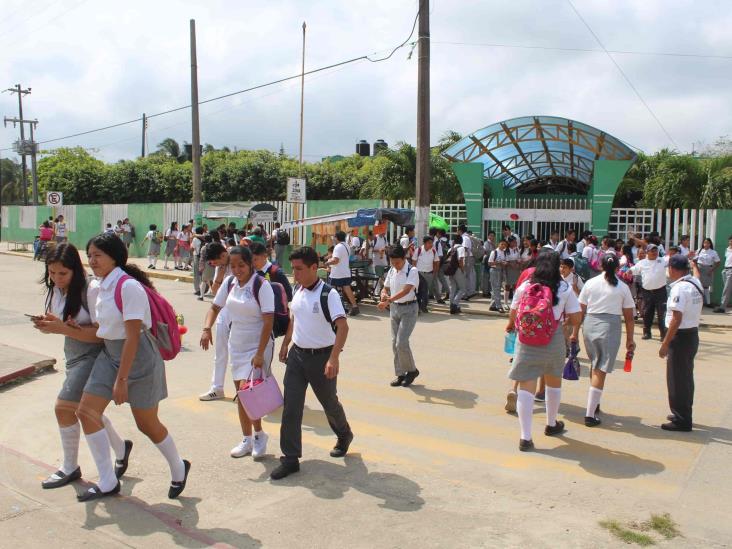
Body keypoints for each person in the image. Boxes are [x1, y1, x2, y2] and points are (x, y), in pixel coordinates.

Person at [75, 233, 190, 501]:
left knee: (146, 424)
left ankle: (178, 466)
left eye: (98, 255)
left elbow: (134, 336)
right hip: (110, 354)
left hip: (139, 358)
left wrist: (122, 379)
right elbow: (104, 328)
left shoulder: (128, 287)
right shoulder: (99, 285)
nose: (92, 261)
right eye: (90, 255)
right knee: (86, 412)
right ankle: (107, 481)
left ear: (115, 257)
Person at [31, 243, 132, 490]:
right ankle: (121, 448)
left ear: (75, 270)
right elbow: (65, 323)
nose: (56, 279)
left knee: (64, 408)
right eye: (52, 273)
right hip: (73, 355)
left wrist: (63, 329)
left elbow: (101, 334)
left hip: (94, 356)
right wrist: (51, 323)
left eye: (62, 274)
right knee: (87, 411)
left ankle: (70, 467)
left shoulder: (92, 289)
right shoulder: (57, 289)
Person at [272, 246, 353, 480]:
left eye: (299, 269)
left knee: (329, 403)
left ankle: (344, 433)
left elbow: (343, 326)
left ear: (314, 268)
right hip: (297, 357)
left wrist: (334, 358)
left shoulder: (329, 294)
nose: (294, 274)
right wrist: (287, 343)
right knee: (291, 408)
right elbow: (294, 319)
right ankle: (290, 458)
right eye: (293, 269)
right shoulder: (298, 289)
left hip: (322, 358)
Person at [200, 246, 275, 458]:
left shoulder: (261, 285)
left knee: (250, 394)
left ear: (250, 263)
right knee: (241, 396)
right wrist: (206, 329)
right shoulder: (230, 282)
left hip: (258, 344)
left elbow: (268, 322)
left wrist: (260, 353)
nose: (237, 269)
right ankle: (247, 439)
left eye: (241, 265)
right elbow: (215, 307)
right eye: (232, 266)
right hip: (237, 343)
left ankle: (259, 435)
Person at [505, 253, 582, 451]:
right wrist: (565, 322)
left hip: (526, 339)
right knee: (553, 383)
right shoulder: (564, 287)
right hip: (553, 338)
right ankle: (551, 423)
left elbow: (513, 312)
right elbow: (576, 318)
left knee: (526, 387)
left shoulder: (526, 286)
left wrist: (511, 325)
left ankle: (525, 437)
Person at [578, 255, 636, 427]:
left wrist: (574, 333)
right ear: (618, 268)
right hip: (610, 327)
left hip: (589, 324)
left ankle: (594, 403)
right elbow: (629, 318)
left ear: (600, 266)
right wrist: (630, 340)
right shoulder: (623, 287)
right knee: (600, 368)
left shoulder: (590, 283)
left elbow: (580, 310)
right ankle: (590, 414)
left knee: (595, 364)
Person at [659, 255, 703, 431]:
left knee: (677, 379)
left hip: (680, 337)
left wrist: (664, 344)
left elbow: (676, 319)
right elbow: (698, 274)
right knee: (685, 377)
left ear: (673, 269)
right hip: (691, 335)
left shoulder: (679, 289)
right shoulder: (694, 283)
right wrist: (694, 265)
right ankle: (683, 411)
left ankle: (681, 419)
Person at [379, 245, 420, 387]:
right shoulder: (392, 270)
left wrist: (389, 300)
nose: (395, 265)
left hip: (409, 309)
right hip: (394, 308)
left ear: (404, 258)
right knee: (394, 343)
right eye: (392, 262)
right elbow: (386, 286)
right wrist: (383, 293)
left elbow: (407, 290)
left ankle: (412, 371)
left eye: (397, 262)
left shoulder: (412, 270)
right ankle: (400, 374)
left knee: (401, 342)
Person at [199, 242, 232, 400]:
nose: (214, 265)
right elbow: (214, 292)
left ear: (224, 254)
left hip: (243, 314)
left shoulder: (241, 261)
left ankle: (250, 389)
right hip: (224, 312)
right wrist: (220, 273)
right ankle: (217, 388)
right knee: (220, 353)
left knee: (243, 355)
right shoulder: (221, 266)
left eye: (215, 262)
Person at [631, 244, 668, 340]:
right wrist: (627, 271)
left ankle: (663, 334)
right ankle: (647, 332)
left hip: (661, 291)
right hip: (647, 292)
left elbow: (673, 259)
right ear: (647, 252)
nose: (654, 252)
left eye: (656, 250)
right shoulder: (642, 262)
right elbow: (634, 270)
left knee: (662, 313)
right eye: (652, 251)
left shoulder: (662, 260)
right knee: (647, 312)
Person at [326, 230, 359, 316]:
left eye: (334, 237)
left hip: (337, 273)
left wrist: (327, 263)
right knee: (347, 289)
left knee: (331, 290)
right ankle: (355, 306)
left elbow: (336, 260)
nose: (333, 238)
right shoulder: (346, 245)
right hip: (345, 272)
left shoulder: (338, 247)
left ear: (336, 238)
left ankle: (331, 307)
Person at [411, 236, 439, 313]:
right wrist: (414, 272)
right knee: (419, 290)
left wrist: (435, 272)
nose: (431, 244)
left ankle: (424, 306)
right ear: (425, 243)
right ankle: (419, 306)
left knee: (426, 291)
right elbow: (414, 261)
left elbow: (437, 261)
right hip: (419, 274)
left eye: (431, 243)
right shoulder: (418, 250)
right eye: (429, 243)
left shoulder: (433, 251)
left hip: (429, 274)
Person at [693, 238, 720, 306]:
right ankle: (699, 302)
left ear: (710, 244)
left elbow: (718, 262)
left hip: (708, 269)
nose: (706, 244)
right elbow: (694, 260)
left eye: (708, 243)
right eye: (704, 243)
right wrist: (696, 268)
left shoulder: (713, 252)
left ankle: (708, 303)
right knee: (698, 285)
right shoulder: (699, 250)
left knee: (706, 287)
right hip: (699, 269)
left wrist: (711, 270)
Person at [446, 235, 467, 314]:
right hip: (458, 269)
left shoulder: (450, 249)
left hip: (450, 270)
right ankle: (455, 304)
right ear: (461, 241)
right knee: (462, 288)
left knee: (453, 288)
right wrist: (462, 269)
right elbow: (461, 259)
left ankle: (451, 305)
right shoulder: (461, 248)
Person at [488, 240, 508, 312]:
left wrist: (504, 263)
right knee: (496, 288)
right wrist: (497, 262)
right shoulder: (494, 252)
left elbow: (505, 261)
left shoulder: (504, 252)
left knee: (497, 288)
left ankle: (493, 305)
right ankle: (499, 306)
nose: (503, 246)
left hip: (501, 271)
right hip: (494, 270)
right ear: (498, 244)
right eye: (502, 244)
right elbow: (489, 263)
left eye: (504, 245)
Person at [713, 236, 732, 313]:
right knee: (728, 289)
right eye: (730, 241)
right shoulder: (727, 249)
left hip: (731, 270)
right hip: (725, 269)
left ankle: (722, 307)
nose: (731, 242)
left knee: (726, 289)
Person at [458, 224, 476, 297]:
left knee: (465, 276)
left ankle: (467, 293)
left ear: (460, 230)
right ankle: (468, 292)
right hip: (468, 257)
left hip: (467, 257)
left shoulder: (465, 238)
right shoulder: (466, 237)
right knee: (467, 275)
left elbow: (465, 248)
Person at [481, 231, 496, 298]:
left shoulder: (493, 244)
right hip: (486, 262)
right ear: (488, 236)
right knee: (486, 277)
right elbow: (486, 251)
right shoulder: (486, 243)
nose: (492, 237)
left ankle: (488, 291)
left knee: (490, 277)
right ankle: (485, 292)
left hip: (491, 262)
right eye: (491, 235)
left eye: (493, 236)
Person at [191, 226, 204, 294]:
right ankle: (203, 289)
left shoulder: (195, 239)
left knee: (196, 274)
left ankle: (197, 289)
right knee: (202, 274)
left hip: (196, 256)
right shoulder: (205, 237)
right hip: (203, 257)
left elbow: (192, 248)